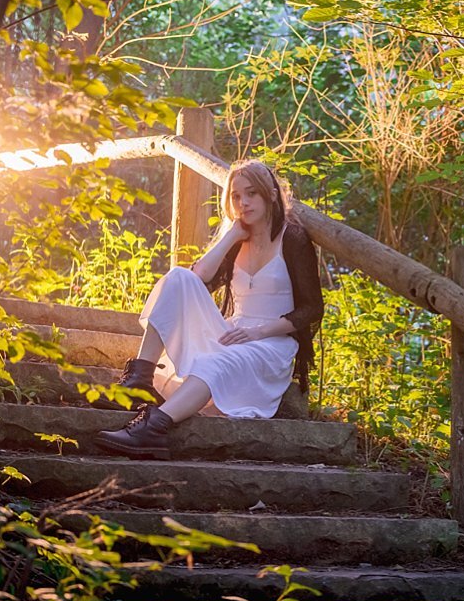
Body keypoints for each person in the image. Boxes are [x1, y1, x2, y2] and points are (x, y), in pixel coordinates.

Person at [93, 160, 323, 459]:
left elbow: (312, 308)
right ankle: (140, 377)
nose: (243, 203)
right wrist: (231, 236)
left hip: (271, 343)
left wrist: (258, 332)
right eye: (236, 196)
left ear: (270, 194)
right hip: (233, 330)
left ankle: (153, 428)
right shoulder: (238, 239)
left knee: (213, 365)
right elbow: (199, 278)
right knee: (178, 277)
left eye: (251, 194)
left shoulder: (292, 238)